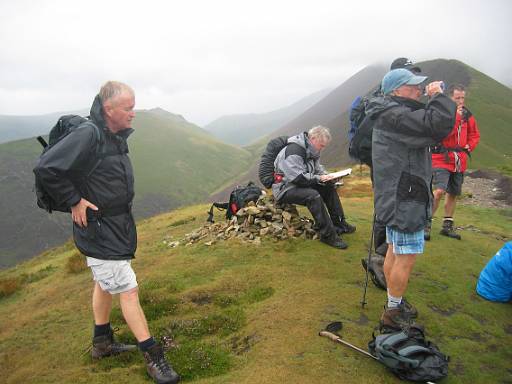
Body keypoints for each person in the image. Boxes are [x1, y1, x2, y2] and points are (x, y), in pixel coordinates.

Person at [34, 81, 180, 384]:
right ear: (108, 109)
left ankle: (102, 344)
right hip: (98, 228)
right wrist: (73, 200)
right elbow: (47, 168)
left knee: (104, 283)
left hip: (113, 225)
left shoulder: (112, 135)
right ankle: (155, 358)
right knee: (128, 290)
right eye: (128, 108)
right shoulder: (90, 133)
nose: (133, 113)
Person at [368, 69, 456, 330]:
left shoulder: (390, 112)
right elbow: (437, 124)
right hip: (407, 195)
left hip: (399, 193)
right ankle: (393, 313)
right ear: (397, 91)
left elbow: (429, 131)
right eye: (413, 86)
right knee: (405, 256)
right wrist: (439, 95)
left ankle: (394, 302)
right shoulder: (394, 115)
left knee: (395, 250)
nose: (419, 90)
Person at [352, 57, 422, 290]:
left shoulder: (377, 100)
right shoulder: (387, 105)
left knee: (384, 207)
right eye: (409, 74)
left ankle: (382, 255)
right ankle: (381, 258)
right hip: (387, 166)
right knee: (387, 208)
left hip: (381, 163)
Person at [272, 126, 356, 249]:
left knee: (329, 188)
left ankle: (339, 224)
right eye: (321, 145)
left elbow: (317, 168)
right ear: (312, 138)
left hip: (298, 184)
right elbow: (297, 178)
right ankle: (327, 235)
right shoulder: (293, 151)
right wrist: (318, 179)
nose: (322, 149)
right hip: (285, 188)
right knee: (313, 196)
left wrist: (328, 177)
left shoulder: (312, 150)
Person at [426, 84, 480, 240]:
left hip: (459, 160)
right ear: (450, 98)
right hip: (441, 157)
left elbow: (475, 134)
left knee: (453, 193)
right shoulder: (443, 113)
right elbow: (444, 133)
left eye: (463, 97)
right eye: (458, 98)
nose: (461, 101)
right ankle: (425, 224)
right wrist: (456, 116)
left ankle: (447, 226)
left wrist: (470, 145)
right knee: (439, 191)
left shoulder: (467, 115)